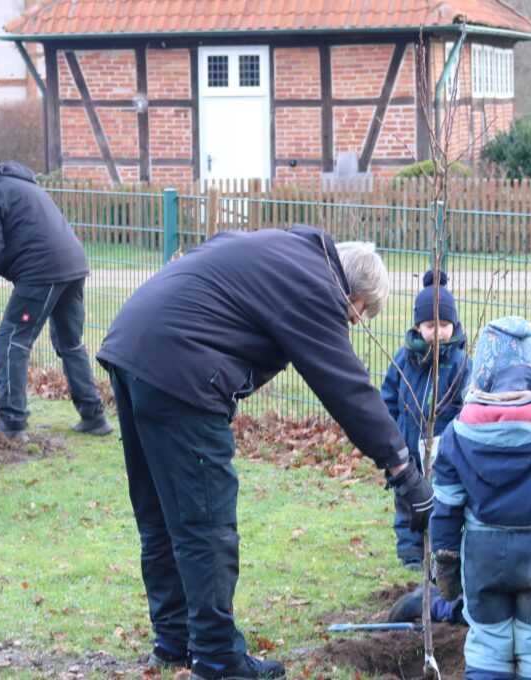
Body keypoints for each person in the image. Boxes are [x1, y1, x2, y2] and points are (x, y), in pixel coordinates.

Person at [96, 227, 432, 680]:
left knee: (160, 511)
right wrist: (402, 469)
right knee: (205, 522)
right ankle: (217, 659)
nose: (352, 323)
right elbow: (346, 386)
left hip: (132, 347)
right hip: (182, 371)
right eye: (358, 314)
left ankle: (173, 640)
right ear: (352, 295)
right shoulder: (315, 287)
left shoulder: (284, 252)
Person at [407, 317, 531, 679]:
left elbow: (446, 505)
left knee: (488, 645)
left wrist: (445, 558)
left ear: (481, 372)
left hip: (482, 557)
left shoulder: (457, 435)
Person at [0, 146, 111, 441]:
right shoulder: (11, 182)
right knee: (68, 341)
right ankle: (94, 415)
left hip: (42, 270)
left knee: (10, 339)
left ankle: (11, 422)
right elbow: (13, 238)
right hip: (71, 264)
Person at [379, 269, 469, 570]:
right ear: (418, 327)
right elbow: (388, 398)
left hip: (445, 456)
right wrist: (391, 437)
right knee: (406, 503)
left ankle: (443, 555)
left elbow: (466, 409)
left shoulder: (459, 364)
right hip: (409, 450)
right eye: (431, 326)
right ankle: (411, 556)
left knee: (445, 504)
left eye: (445, 325)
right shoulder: (404, 361)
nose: (439, 332)